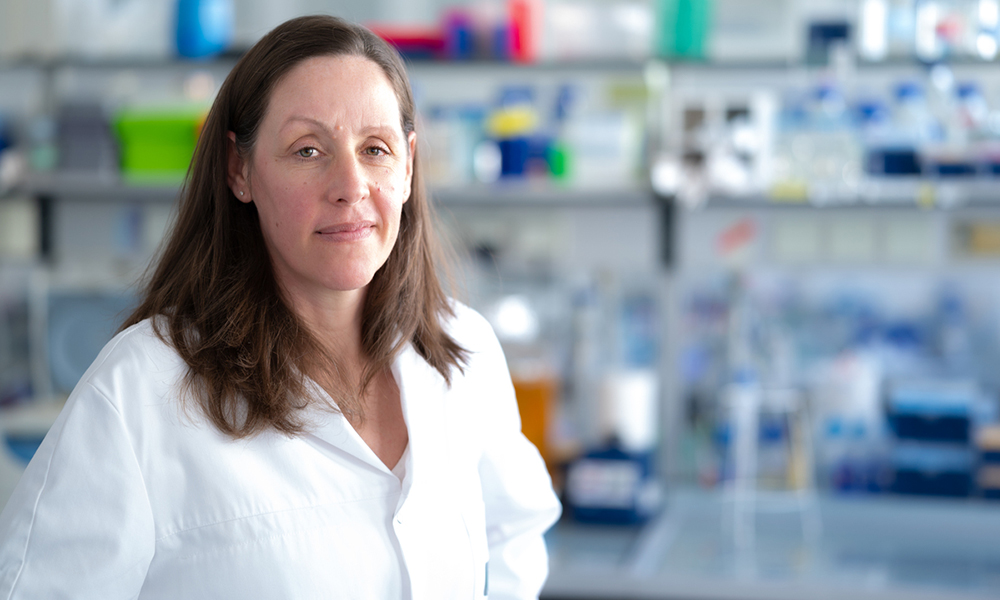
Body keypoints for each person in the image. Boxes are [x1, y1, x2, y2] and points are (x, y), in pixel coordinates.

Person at [0, 15, 560, 599]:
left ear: (409, 164)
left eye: (376, 149)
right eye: (308, 149)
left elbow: (517, 533)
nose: (350, 184)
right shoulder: (140, 391)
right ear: (239, 169)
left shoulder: (461, 352)